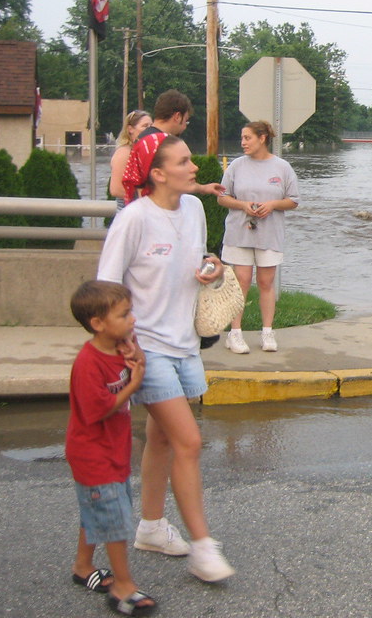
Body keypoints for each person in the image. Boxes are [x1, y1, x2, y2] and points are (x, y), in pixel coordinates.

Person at [97, 132, 236, 583]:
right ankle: (203, 546)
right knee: (189, 443)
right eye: (184, 161)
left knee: (160, 439)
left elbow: (202, 258)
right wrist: (122, 350)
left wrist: (211, 266)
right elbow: (105, 287)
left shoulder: (195, 209)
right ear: (158, 174)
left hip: (184, 343)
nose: (194, 168)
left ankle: (151, 528)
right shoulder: (134, 219)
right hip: (147, 348)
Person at [66, 280, 156, 616]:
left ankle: (82, 566)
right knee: (114, 517)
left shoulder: (120, 345)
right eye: (124, 314)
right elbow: (97, 410)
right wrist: (132, 384)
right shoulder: (88, 363)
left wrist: (136, 355)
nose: (133, 319)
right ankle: (123, 585)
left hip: (113, 450)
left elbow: (139, 362)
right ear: (98, 324)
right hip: (93, 454)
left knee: (98, 509)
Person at [217, 121, 300, 354]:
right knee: (241, 281)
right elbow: (222, 197)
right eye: (242, 138)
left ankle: (267, 331)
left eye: (247, 138)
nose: (243, 143)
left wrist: (273, 204)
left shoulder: (282, 168)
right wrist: (243, 205)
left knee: (266, 282)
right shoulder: (236, 166)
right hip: (239, 232)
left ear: (262, 138)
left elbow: (293, 200)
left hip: (269, 234)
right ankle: (235, 333)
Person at [120, 89, 224, 204]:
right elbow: (144, 187)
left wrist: (203, 188)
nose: (185, 127)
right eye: (186, 121)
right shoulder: (156, 144)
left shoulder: (144, 139)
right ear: (177, 117)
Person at [108, 110, 152, 210]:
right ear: (130, 129)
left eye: (151, 126)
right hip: (127, 213)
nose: (149, 130)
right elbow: (116, 189)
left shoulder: (143, 152)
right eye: (145, 126)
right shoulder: (124, 152)